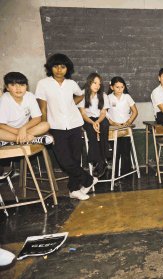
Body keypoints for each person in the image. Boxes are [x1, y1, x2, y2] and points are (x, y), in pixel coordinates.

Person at [36, 53, 98, 201]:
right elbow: (43, 109)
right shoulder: (43, 84)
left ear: (67, 69)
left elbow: (80, 95)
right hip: (55, 127)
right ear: (50, 68)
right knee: (64, 160)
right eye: (55, 66)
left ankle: (74, 190)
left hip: (75, 124)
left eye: (62, 66)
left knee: (75, 159)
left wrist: (71, 103)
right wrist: (47, 131)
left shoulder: (71, 84)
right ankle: (88, 179)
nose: (59, 69)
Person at [0, 72, 53, 147]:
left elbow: (37, 118)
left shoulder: (30, 96)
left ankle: (11, 141)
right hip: (8, 131)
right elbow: (1, 125)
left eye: (22, 85)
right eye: (13, 85)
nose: (18, 88)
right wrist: (19, 132)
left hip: (26, 129)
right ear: (7, 87)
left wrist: (23, 129)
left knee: (45, 125)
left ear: (26, 86)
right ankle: (32, 139)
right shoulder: (4, 99)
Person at [78, 73, 110, 178]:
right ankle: (101, 161)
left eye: (99, 84)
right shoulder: (82, 94)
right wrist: (93, 123)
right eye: (95, 83)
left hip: (100, 118)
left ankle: (101, 159)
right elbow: (83, 114)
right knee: (90, 129)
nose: (97, 86)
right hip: (88, 119)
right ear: (89, 82)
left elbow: (103, 113)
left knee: (105, 125)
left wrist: (98, 122)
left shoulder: (103, 95)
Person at [107, 76, 138, 174]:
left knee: (125, 151)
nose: (119, 89)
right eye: (117, 87)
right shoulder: (108, 97)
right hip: (114, 128)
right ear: (112, 87)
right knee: (116, 151)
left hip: (125, 128)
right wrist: (111, 122)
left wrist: (128, 122)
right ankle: (115, 173)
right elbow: (104, 112)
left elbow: (135, 112)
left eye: (122, 87)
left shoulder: (127, 97)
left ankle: (126, 172)